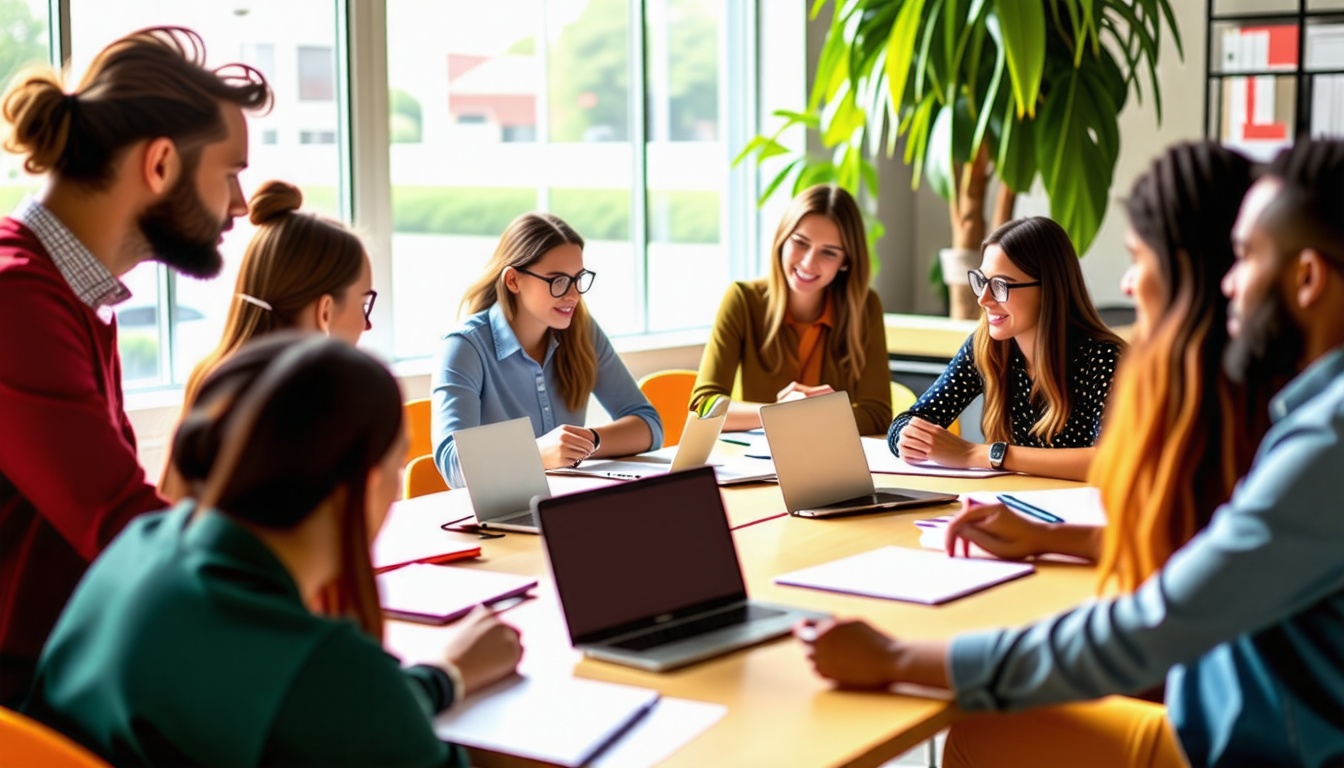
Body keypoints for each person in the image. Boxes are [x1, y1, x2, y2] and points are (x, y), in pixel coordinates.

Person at [800, 138, 1344, 767]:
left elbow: (1149, 624)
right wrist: (1048, 538)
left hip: (1250, 741)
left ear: (1306, 278)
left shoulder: (1322, 441)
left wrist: (897, 658)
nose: (1127, 282)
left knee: (983, 734)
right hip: (1221, 692)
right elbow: (1214, 556)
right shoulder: (1298, 412)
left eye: (1244, 257)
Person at [24, 334, 523, 767]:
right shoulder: (320, 664)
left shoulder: (139, 547)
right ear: (364, 483)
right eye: (397, 464)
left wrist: (443, 678)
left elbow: (329, 714)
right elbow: (340, 705)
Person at [0, 26, 271, 706]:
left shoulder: (71, 291)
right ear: (158, 165)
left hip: (73, 672)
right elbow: (126, 530)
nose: (241, 205)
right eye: (230, 173)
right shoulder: (15, 300)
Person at [945, 143, 1274, 587]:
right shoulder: (1184, 379)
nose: (1126, 283)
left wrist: (913, 660)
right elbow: (1172, 541)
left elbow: (1183, 596)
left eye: (1139, 258)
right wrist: (1043, 536)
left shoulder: (1288, 416)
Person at [159, 179, 375, 501]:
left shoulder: (211, 376)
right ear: (325, 312)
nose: (366, 323)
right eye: (363, 303)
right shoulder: (308, 404)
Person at [432, 212, 662, 488]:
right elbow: (453, 463)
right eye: (558, 280)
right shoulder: (463, 347)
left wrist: (585, 441)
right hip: (496, 513)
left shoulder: (583, 331)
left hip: (567, 502)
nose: (573, 294)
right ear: (513, 281)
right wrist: (538, 453)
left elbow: (649, 426)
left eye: (578, 278)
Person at [887, 216, 1124, 481]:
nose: (983, 298)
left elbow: (1110, 461)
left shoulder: (1105, 359)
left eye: (1000, 285)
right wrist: (907, 437)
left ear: (1048, 289)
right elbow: (910, 420)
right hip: (1010, 506)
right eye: (982, 281)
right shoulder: (986, 346)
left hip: (1079, 517)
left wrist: (974, 455)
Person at [690, 183, 891, 434]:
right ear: (782, 240)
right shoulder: (742, 300)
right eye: (800, 242)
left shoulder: (865, 306)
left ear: (846, 262)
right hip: (759, 463)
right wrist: (778, 413)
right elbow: (703, 407)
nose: (808, 262)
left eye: (829, 253)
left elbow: (878, 414)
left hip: (830, 459)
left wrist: (819, 413)